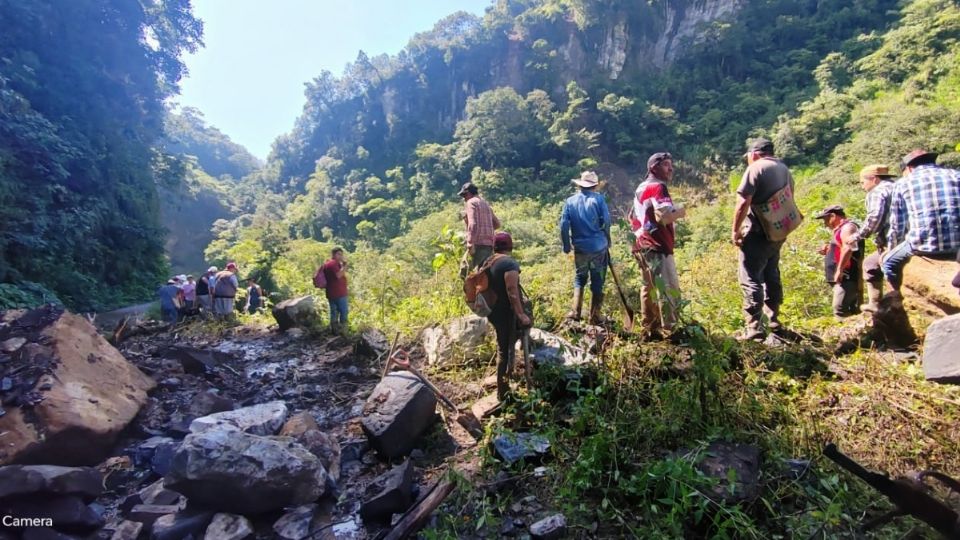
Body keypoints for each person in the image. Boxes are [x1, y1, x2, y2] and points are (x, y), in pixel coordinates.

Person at [731, 138, 795, 341]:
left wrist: (735, 230)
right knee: (771, 273)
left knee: (750, 277)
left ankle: (754, 327)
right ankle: (774, 319)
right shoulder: (783, 168)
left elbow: (743, 203)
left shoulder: (756, 168)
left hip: (758, 232)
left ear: (755, 153)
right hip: (777, 232)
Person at [883, 149, 960, 291]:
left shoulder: (903, 183)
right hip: (958, 245)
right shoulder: (956, 175)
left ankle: (896, 300)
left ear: (909, 168)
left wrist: (891, 249)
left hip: (925, 246)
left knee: (888, 263)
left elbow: (897, 226)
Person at [631, 152, 686, 339]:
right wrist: (681, 211)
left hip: (641, 244)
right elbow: (664, 217)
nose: (671, 169)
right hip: (658, 244)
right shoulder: (658, 187)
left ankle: (649, 329)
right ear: (654, 168)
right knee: (668, 287)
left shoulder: (640, 187)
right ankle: (672, 331)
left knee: (648, 287)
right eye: (666, 165)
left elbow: (633, 217)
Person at [484, 232, 532, 401]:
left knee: (505, 345)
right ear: (510, 246)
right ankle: (503, 393)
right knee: (504, 350)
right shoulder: (509, 264)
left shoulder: (489, 262)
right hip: (506, 313)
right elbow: (512, 291)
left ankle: (508, 376)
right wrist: (521, 315)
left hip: (493, 312)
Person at [559, 171, 612, 324]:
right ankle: (595, 316)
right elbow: (606, 222)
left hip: (580, 248)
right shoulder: (599, 200)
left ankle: (575, 312)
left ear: (580, 185)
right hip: (598, 248)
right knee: (597, 279)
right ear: (595, 186)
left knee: (580, 277)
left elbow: (563, 226)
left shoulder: (570, 201)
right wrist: (607, 239)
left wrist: (566, 245)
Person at [849, 165, 897, 312]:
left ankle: (878, 304)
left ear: (874, 179)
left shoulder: (877, 191)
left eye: (862, 182)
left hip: (891, 239)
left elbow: (874, 218)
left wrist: (857, 236)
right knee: (872, 264)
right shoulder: (896, 186)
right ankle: (879, 303)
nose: (862, 186)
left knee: (875, 265)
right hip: (906, 237)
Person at [815, 206, 864, 318]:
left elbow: (848, 248)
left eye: (826, 220)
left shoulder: (848, 227)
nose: (825, 224)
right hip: (841, 278)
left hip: (847, 277)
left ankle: (847, 335)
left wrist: (839, 270)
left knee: (839, 308)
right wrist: (829, 249)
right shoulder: (840, 230)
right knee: (848, 309)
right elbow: (841, 247)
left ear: (833, 216)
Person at [459, 182, 501, 275]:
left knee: (465, 272)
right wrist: (485, 227)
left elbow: (473, 224)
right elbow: (497, 224)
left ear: (469, 193)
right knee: (484, 274)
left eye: (464, 195)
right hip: (489, 245)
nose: (464, 198)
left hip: (478, 244)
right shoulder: (485, 204)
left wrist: (470, 242)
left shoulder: (471, 203)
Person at [322, 248, 349, 333]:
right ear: (333, 255)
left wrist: (342, 266)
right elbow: (338, 275)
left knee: (334, 312)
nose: (341, 256)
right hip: (339, 293)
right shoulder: (333, 264)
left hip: (331, 293)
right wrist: (345, 266)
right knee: (343, 312)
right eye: (339, 254)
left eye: (341, 254)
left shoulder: (328, 264)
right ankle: (343, 331)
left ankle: (334, 331)